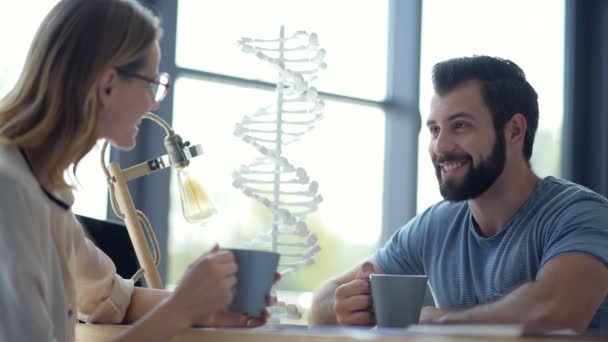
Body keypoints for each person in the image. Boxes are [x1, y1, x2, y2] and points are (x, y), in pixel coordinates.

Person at [0, 0, 277, 341]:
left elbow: (114, 299)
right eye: (151, 84)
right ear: (108, 85)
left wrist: (205, 309)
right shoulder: (9, 191)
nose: (154, 102)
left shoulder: (46, 190)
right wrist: (181, 310)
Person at [308, 55, 608, 333]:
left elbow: (553, 310)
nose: (440, 146)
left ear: (515, 130)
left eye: (460, 126)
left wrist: (430, 320)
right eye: (435, 129)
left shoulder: (583, 215)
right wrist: (350, 307)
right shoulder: (436, 226)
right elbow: (322, 303)